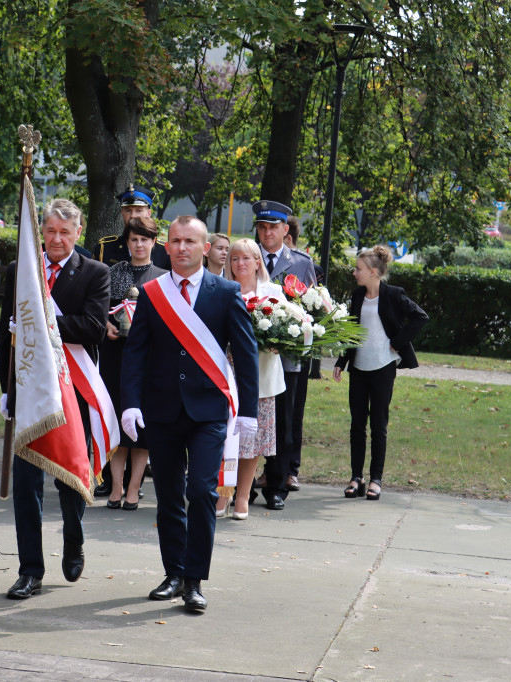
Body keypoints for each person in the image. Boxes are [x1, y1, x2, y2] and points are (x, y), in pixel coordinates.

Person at [120, 215, 259, 613]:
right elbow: (136, 353)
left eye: (190, 241)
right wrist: (130, 402)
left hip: (208, 411)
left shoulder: (225, 291)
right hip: (161, 410)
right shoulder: (153, 293)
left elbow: (246, 355)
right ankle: (174, 573)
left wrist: (247, 411)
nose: (181, 248)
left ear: (205, 247)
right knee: (168, 497)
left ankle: (195, 580)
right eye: (176, 241)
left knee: (201, 491)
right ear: (168, 245)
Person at [0, 198, 111, 599]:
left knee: (68, 481)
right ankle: (30, 569)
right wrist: (5, 390)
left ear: (78, 233)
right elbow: (5, 337)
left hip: (73, 393)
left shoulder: (95, 273)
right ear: (40, 232)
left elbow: (94, 328)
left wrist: (40, 320)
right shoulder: (20, 271)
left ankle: (74, 540)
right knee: (26, 485)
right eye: (50, 231)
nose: (57, 239)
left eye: (65, 232)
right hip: (28, 393)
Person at [333, 245, 428, 501]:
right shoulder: (357, 295)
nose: (355, 273)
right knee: (357, 425)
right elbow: (351, 329)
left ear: (374, 272)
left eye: (359, 269)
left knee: (378, 426)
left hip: (383, 368)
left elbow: (421, 317)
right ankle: (357, 478)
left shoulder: (394, 295)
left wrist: (397, 342)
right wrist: (342, 361)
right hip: (359, 368)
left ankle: (376, 479)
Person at [94, 183, 168, 498]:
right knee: (114, 417)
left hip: (147, 359)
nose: (138, 244)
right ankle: (114, 485)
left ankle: (134, 487)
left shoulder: (163, 273)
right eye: (133, 239)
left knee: (141, 426)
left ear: (153, 242)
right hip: (115, 354)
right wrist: (106, 325)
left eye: (144, 239)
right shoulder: (113, 269)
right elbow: (98, 307)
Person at [214, 239, 286, 520]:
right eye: (234, 259)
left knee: (251, 441)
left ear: (258, 262)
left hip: (261, 377)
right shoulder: (220, 289)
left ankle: (242, 495)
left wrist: (278, 342)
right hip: (224, 375)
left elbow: (291, 331)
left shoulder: (274, 292)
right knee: (222, 438)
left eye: (246, 258)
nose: (240, 264)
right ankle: (223, 495)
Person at [254, 200, 316, 511]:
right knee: (248, 419)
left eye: (273, 227)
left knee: (284, 423)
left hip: (288, 358)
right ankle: (245, 482)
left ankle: (276, 485)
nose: (267, 232)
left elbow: (313, 309)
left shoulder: (302, 263)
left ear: (285, 230)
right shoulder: (246, 258)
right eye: (262, 227)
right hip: (249, 357)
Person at [95, 184, 170, 269]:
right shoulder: (105, 248)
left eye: (139, 210)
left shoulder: (164, 251)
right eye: (128, 210)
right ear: (122, 213)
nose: (133, 216)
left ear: (149, 213)